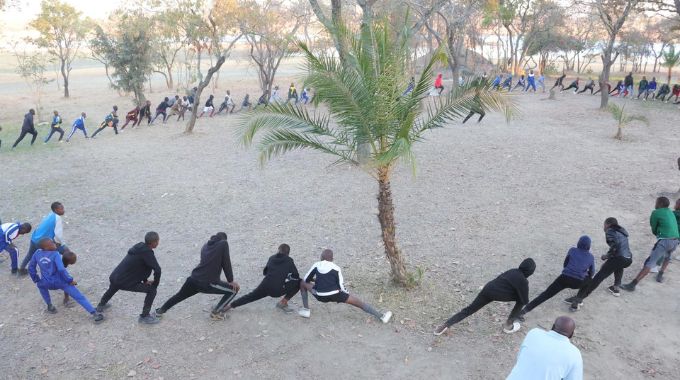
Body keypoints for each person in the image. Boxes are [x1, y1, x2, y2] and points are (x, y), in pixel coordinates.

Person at [433, 258, 536, 336]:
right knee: (521, 300)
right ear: (530, 272)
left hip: (488, 288)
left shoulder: (513, 270)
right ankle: (508, 325)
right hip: (498, 294)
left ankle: (445, 325)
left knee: (469, 309)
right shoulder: (523, 281)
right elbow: (525, 300)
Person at [155, 233, 239, 320]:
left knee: (179, 296)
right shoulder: (223, 243)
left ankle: (159, 311)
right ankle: (216, 313)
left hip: (193, 279)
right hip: (207, 283)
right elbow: (226, 263)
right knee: (234, 290)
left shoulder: (205, 246)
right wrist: (230, 280)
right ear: (224, 239)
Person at [297, 249, 392, 323]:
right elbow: (341, 285)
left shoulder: (317, 265)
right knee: (360, 303)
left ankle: (306, 310)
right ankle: (382, 316)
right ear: (332, 259)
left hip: (319, 295)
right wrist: (347, 294)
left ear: (321, 257)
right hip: (336, 294)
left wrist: (316, 280)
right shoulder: (336, 268)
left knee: (302, 283)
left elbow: (306, 279)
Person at [28, 238, 104, 322]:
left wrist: (36, 279)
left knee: (41, 286)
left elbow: (31, 267)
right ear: (46, 248)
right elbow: (61, 269)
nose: (55, 244)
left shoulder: (37, 253)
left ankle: (50, 306)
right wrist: (69, 280)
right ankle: (94, 313)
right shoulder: (55, 254)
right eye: (52, 243)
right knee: (78, 296)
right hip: (60, 282)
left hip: (46, 282)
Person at [518, 237, 594, 318]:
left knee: (545, 294)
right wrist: (584, 273)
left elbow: (565, 264)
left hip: (564, 278)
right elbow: (592, 272)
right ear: (589, 246)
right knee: (590, 280)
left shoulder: (572, 250)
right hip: (578, 282)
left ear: (578, 243)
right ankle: (576, 302)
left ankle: (523, 312)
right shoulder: (591, 257)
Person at [96, 232, 162, 324]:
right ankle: (145, 316)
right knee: (152, 290)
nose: (158, 243)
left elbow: (141, 268)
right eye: (157, 241)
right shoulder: (147, 253)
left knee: (114, 286)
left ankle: (101, 305)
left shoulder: (139, 248)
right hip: (123, 281)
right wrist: (155, 284)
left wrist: (145, 280)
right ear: (153, 242)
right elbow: (157, 269)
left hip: (115, 276)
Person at [569, 218, 632, 308]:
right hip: (628, 258)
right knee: (618, 266)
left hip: (619, 258)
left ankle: (579, 299)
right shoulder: (621, 231)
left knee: (599, 277)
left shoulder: (610, 231)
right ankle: (616, 288)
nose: (604, 227)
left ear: (608, 224)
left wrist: (607, 256)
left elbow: (615, 246)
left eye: (604, 224)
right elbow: (620, 247)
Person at [221, 243, 299, 313]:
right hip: (277, 290)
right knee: (299, 282)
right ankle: (283, 303)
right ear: (288, 253)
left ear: (278, 250)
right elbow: (295, 276)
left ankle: (229, 306)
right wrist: (286, 276)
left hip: (265, 285)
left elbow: (265, 272)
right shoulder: (289, 260)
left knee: (250, 296)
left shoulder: (272, 258)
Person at [622, 197, 679, 290]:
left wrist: (659, 234)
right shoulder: (670, 212)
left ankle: (632, 285)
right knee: (667, 256)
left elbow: (654, 229)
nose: (655, 204)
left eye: (656, 202)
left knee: (650, 263)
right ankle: (661, 273)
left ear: (660, 203)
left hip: (665, 241)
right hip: (676, 241)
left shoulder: (656, 212)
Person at [506, 316, 583, 380]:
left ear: (553, 327)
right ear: (571, 335)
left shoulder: (534, 333)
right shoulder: (574, 354)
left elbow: (520, 357)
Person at [17, 202, 67, 275]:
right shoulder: (57, 218)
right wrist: (61, 244)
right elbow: (58, 235)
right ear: (56, 210)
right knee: (64, 251)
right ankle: (62, 268)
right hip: (44, 242)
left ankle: (21, 269)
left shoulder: (50, 214)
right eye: (61, 209)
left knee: (30, 254)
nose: (63, 210)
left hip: (34, 238)